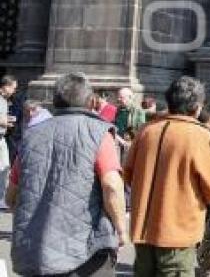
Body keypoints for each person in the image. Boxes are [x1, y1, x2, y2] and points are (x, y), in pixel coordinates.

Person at [6, 72, 128, 276]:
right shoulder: (98, 132)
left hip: (37, 250)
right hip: (88, 250)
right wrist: (121, 229)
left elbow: (12, 195)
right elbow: (112, 186)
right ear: (91, 102)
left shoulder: (31, 136)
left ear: (55, 101)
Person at [124, 76, 210, 276]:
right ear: (197, 107)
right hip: (177, 235)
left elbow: (128, 174)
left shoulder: (146, 131)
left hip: (143, 231)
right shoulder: (200, 135)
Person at [0, 74, 17, 209]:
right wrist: (6, 122)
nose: (14, 91)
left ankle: (2, 198)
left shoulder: (4, 101)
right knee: (4, 168)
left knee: (5, 168)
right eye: (13, 88)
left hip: (2, 138)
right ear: (5, 86)